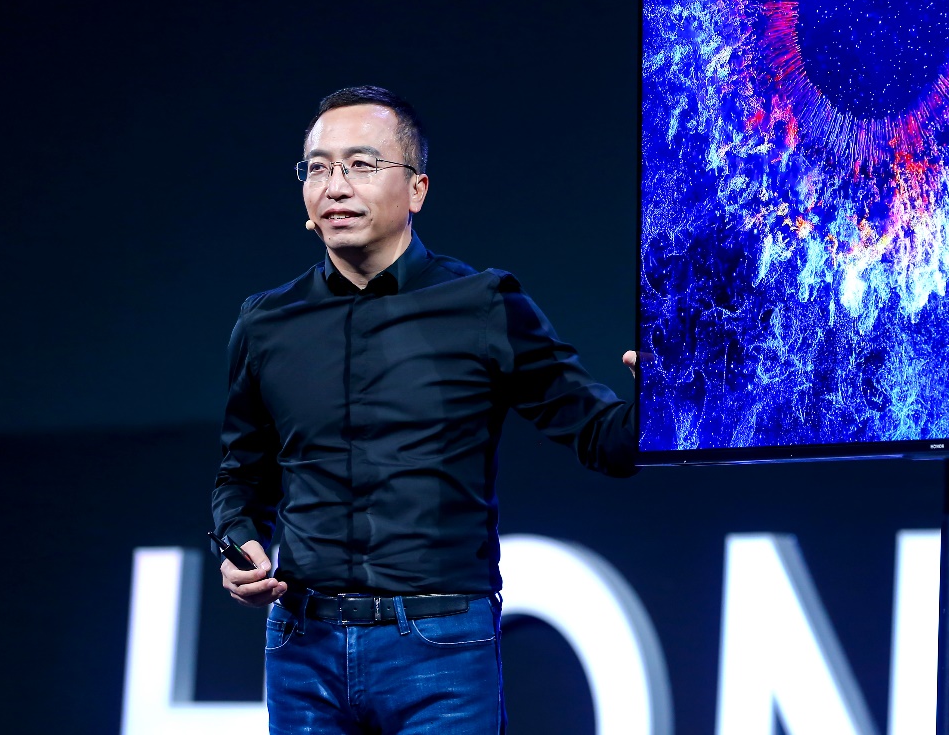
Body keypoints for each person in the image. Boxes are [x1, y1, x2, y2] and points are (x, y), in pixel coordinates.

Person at [211, 85, 640, 735]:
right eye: (318, 167)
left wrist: (668, 399)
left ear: (417, 189)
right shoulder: (265, 321)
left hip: (440, 647)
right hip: (302, 649)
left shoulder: (484, 304)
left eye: (361, 164)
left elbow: (600, 436)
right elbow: (241, 472)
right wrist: (238, 538)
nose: (335, 186)